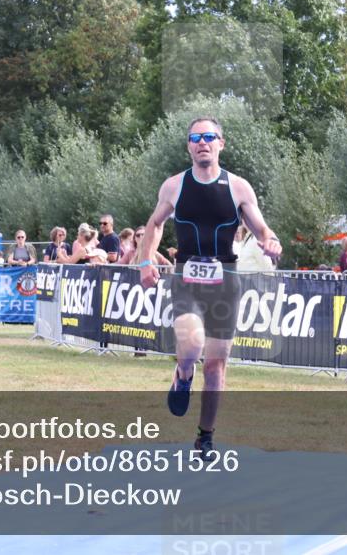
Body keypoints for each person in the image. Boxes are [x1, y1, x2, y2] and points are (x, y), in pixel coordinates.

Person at [139, 117, 282, 459]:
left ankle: (205, 437)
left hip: (225, 280)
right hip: (186, 276)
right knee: (191, 345)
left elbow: (260, 228)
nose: (202, 143)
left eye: (209, 137)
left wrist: (271, 240)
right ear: (189, 145)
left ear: (221, 143)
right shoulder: (174, 186)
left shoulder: (239, 188)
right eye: (195, 138)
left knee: (217, 365)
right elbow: (155, 224)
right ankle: (184, 373)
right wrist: (145, 260)